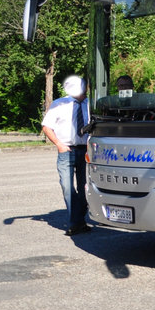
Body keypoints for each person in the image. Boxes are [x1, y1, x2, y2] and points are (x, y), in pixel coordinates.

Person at [42, 75, 92, 235]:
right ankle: (76, 222)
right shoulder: (60, 104)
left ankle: (78, 221)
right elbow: (46, 126)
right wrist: (59, 144)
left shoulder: (92, 105)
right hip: (66, 151)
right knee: (67, 186)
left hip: (87, 152)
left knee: (85, 188)